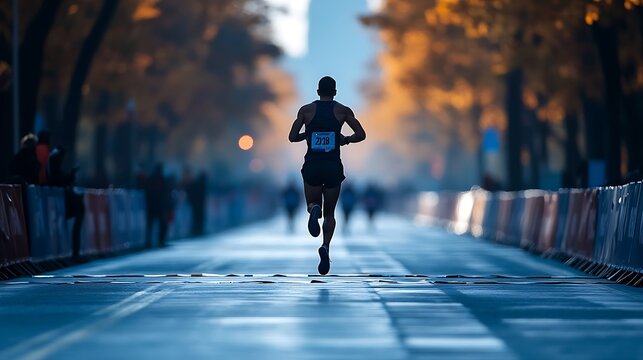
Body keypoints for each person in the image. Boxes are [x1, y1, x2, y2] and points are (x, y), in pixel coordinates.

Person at [288, 76, 366, 275]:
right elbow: (361, 134)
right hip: (333, 167)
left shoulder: (306, 111)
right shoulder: (343, 111)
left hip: (313, 165)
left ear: (317, 92)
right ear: (335, 93)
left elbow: (292, 137)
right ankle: (325, 246)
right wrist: (345, 140)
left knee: (312, 203)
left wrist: (309, 134)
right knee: (330, 213)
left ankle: (314, 209)